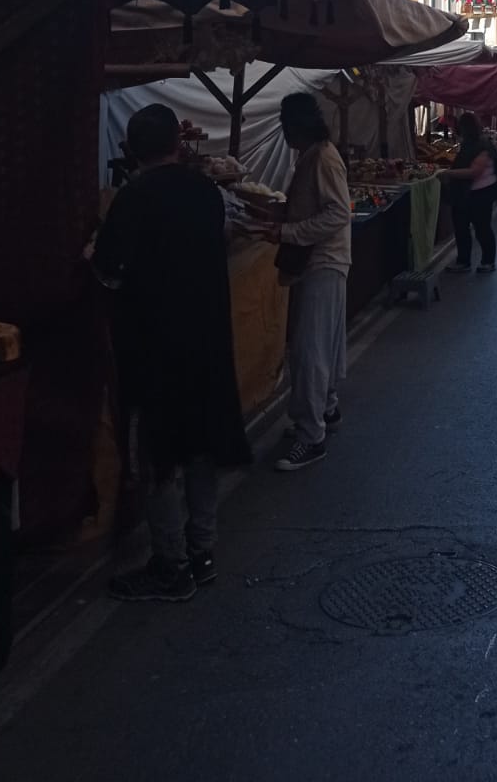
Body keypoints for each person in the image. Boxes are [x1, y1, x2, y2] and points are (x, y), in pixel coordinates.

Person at [93, 103, 249, 602]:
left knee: (160, 456)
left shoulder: (133, 197)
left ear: (131, 149)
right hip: (205, 341)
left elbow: (109, 271)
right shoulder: (208, 193)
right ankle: (201, 553)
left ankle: (170, 565)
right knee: (200, 448)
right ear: (178, 145)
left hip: (156, 348)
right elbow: (223, 240)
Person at [262, 93, 350, 473]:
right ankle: (325, 410)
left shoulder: (323, 158)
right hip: (318, 262)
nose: (283, 136)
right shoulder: (312, 155)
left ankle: (311, 436)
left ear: (297, 127)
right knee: (320, 346)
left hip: (323, 261)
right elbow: (311, 206)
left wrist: (289, 231)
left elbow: (336, 213)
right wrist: (272, 213)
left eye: (285, 128)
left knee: (310, 350)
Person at [442, 112, 497, 273]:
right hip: (463, 195)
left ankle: (488, 261)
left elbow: (474, 172)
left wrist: (447, 173)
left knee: (482, 228)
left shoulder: (482, 147)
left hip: (481, 194)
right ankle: (463, 261)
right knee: (461, 228)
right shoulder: (469, 144)